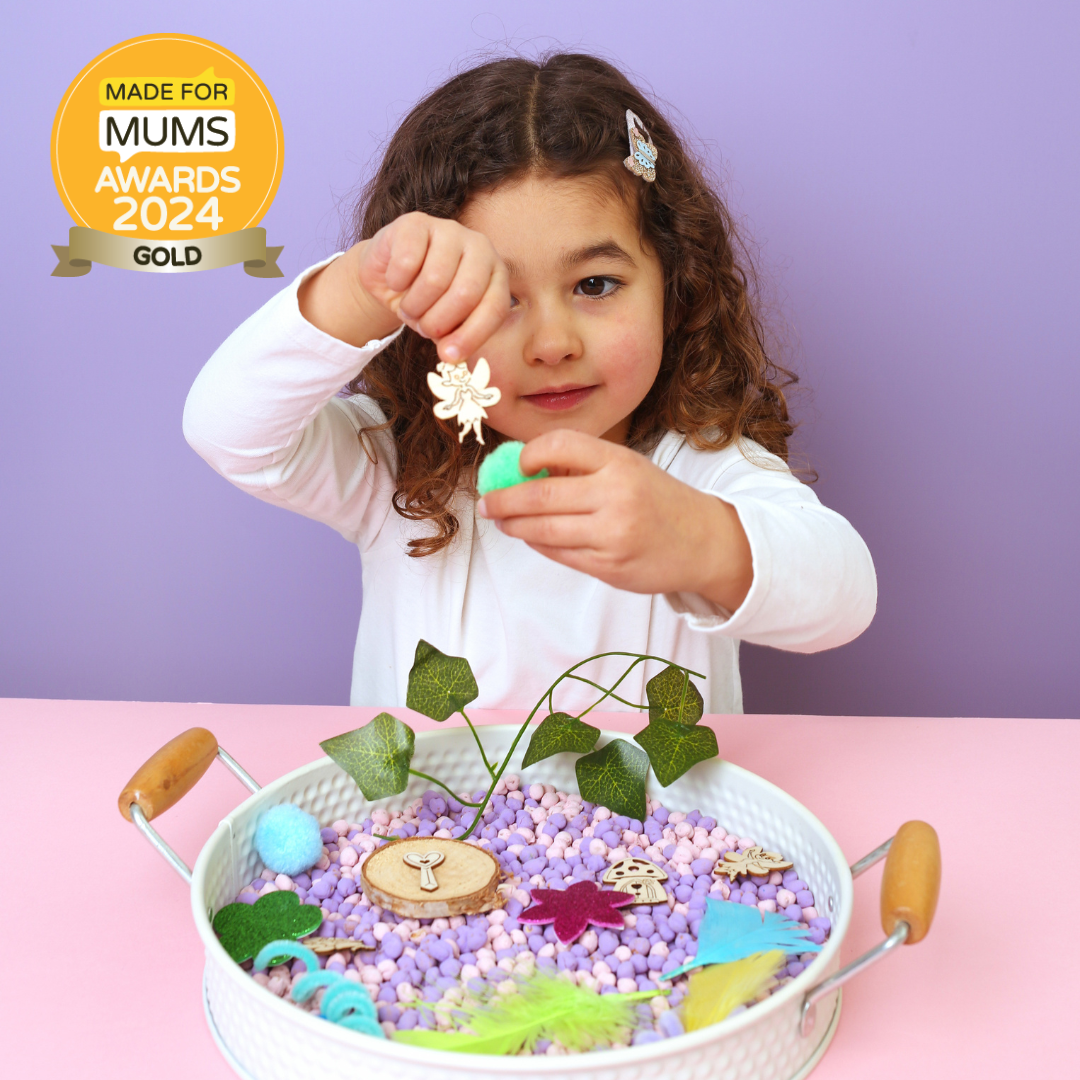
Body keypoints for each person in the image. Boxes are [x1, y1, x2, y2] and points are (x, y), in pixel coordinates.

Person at [183, 53, 876, 715]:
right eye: (502, 298)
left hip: (657, 809)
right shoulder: (391, 469)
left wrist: (696, 538)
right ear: (422, 320)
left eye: (595, 285)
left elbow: (844, 598)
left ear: (675, 286)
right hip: (425, 808)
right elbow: (227, 431)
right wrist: (366, 287)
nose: (552, 345)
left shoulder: (699, 468)